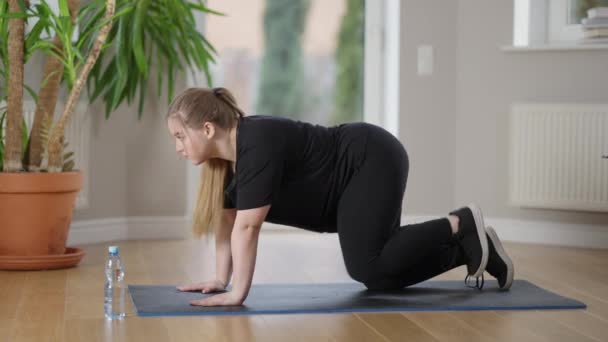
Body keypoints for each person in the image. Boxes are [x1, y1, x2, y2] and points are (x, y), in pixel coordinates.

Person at [166, 87, 515, 307]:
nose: (178, 147)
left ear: (208, 129)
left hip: (367, 158)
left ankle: (460, 222)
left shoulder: (256, 141)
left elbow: (246, 229)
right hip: (349, 186)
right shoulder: (227, 167)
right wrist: (219, 279)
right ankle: (469, 248)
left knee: (366, 262)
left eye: (180, 136)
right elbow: (227, 226)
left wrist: (237, 294)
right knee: (377, 278)